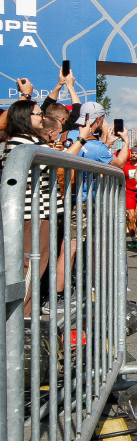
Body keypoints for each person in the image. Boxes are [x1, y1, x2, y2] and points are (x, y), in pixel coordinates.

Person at [0, 99, 68, 316]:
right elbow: (62, 161)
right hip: (33, 215)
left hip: (36, 214)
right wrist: (82, 139)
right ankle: (20, 319)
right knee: (30, 269)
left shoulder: (25, 140)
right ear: (23, 118)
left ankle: (24, 317)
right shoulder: (23, 141)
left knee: (31, 268)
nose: (43, 117)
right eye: (38, 113)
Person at [123, 147, 137, 247]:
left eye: (136, 153)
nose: (134, 155)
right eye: (132, 153)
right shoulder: (125, 165)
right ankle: (133, 239)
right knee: (130, 217)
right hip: (129, 192)